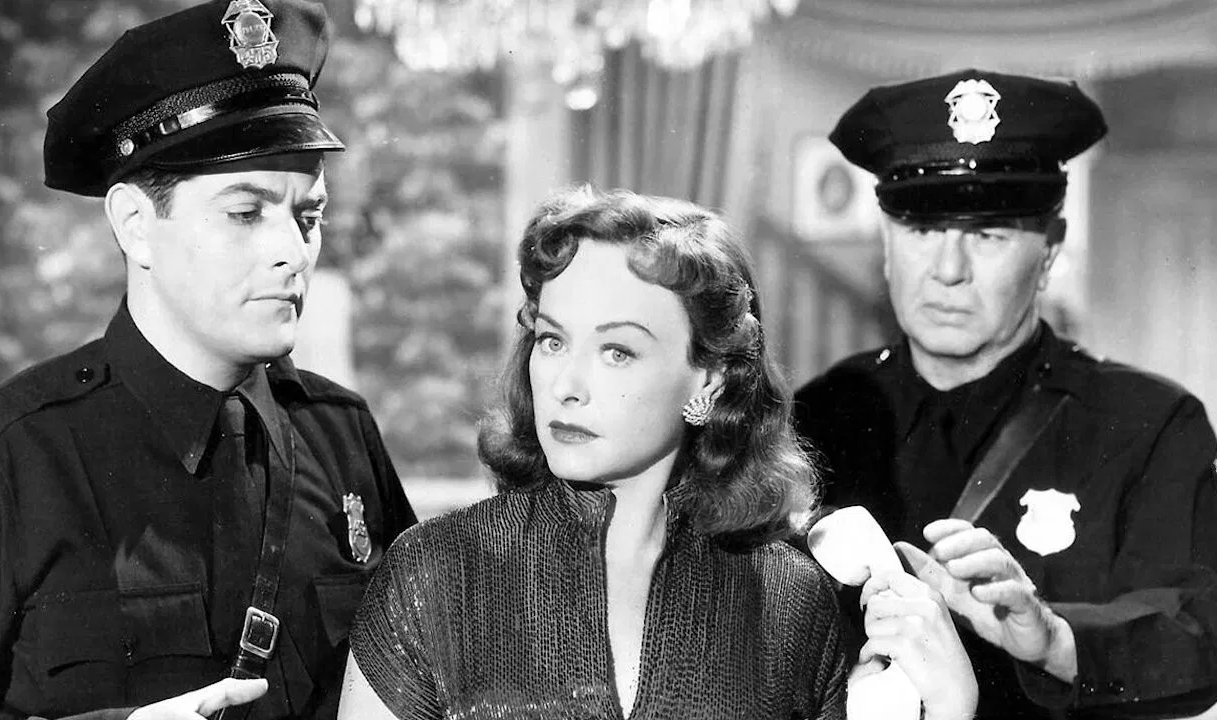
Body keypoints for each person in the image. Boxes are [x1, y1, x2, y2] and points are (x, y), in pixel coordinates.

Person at [0, 1, 417, 718]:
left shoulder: (340, 434)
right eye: (245, 213)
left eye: (308, 216)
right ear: (136, 225)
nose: (292, 251)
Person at [336, 187, 976, 720]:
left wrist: (950, 709)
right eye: (553, 341)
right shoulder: (436, 573)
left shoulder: (792, 601)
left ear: (709, 382)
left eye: (617, 351)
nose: (567, 386)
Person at [795, 68, 1217, 719]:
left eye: (987, 235)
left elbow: (1199, 631)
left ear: (1049, 250)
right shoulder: (820, 414)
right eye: (922, 230)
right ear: (886, 241)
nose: (948, 270)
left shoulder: (1147, 425)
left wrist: (1054, 640)